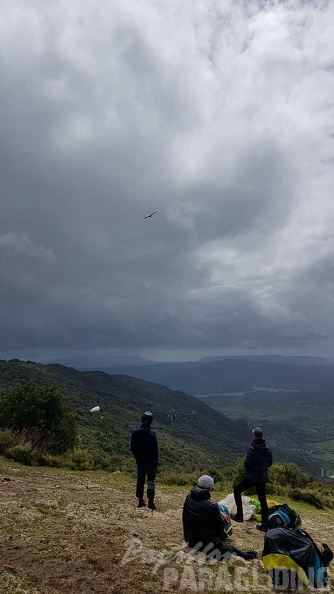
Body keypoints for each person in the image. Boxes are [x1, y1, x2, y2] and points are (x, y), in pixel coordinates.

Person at [182, 475, 257, 561]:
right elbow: (220, 527)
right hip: (206, 545)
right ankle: (249, 555)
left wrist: (218, 512)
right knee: (231, 549)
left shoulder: (189, 497)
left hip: (190, 540)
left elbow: (202, 507)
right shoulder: (211, 506)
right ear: (210, 488)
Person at [232, 427, 273, 532]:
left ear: (254, 435)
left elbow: (246, 464)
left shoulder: (252, 448)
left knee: (236, 490)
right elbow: (270, 463)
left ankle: (239, 516)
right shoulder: (267, 448)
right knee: (263, 500)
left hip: (251, 477)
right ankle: (265, 525)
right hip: (262, 478)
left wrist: (252, 468)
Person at [131, 411, 158, 510]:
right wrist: (155, 462)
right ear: (151, 422)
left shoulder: (135, 433)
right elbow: (155, 450)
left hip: (140, 461)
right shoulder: (152, 434)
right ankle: (151, 502)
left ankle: (140, 500)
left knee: (140, 480)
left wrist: (137, 457)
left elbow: (132, 447)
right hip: (150, 462)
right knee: (151, 481)